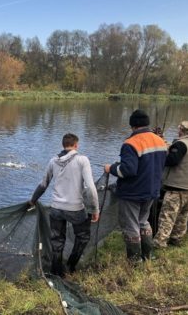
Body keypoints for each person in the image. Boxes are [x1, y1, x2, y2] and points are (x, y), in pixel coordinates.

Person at [29, 133, 99, 276]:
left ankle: (56, 271)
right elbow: (90, 188)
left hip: (56, 209)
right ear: (76, 145)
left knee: (57, 241)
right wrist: (95, 209)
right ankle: (70, 266)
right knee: (83, 237)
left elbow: (43, 185)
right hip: (76, 209)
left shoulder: (53, 161)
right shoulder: (82, 160)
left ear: (63, 145)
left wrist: (33, 200)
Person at [105, 109, 167, 263]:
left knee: (131, 225)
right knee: (143, 222)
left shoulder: (130, 143)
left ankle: (134, 261)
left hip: (133, 192)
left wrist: (111, 168)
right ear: (147, 123)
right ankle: (148, 256)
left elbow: (128, 170)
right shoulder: (160, 141)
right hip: (152, 190)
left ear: (132, 125)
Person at [153, 121, 188, 248]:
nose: (178, 131)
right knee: (182, 216)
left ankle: (159, 243)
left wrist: (159, 154)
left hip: (175, 188)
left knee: (167, 216)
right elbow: (175, 151)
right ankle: (176, 239)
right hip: (186, 188)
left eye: (179, 129)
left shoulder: (181, 144)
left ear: (182, 131)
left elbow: (172, 159)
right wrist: (163, 141)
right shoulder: (181, 145)